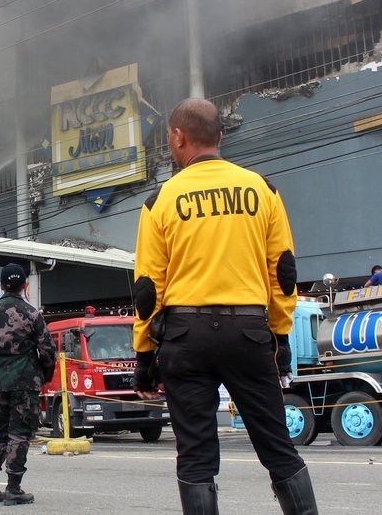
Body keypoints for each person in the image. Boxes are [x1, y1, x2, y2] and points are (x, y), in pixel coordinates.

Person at [132, 98, 317, 514]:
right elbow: (283, 271)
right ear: (220, 136)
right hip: (249, 333)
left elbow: (148, 289)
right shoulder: (263, 190)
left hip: (184, 337)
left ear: (177, 137)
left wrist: (144, 353)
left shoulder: (159, 201)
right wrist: (280, 335)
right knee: (277, 447)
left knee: (195, 455)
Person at [0, 262, 56, 506]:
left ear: (1, 285)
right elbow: (48, 351)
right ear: (25, 285)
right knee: (19, 434)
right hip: (25, 381)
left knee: (0, 433)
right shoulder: (32, 314)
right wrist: (44, 374)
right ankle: (13, 488)